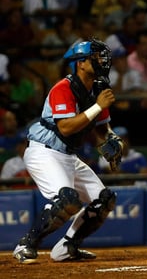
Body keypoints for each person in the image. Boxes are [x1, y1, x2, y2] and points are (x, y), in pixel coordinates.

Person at [12, 38, 123, 263]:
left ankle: (67, 247)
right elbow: (66, 126)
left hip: (68, 155)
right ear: (80, 62)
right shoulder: (63, 88)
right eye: (96, 57)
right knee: (67, 200)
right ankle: (25, 245)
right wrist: (98, 106)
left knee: (105, 200)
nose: (102, 61)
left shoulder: (98, 88)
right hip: (44, 151)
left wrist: (111, 140)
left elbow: (101, 128)